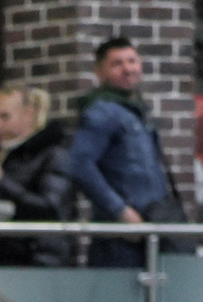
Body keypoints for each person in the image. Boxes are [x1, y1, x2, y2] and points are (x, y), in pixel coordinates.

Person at [66, 36, 178, 267]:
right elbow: (80, 164)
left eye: (132, 61)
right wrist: (120, 211)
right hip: (121, 238)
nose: (128, 69)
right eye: (117, 64)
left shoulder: (134, 110)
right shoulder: (102, 112)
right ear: (99, 71)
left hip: (149, 227)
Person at [0, 83, 73, 267]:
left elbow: (51, 208)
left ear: (28, 114)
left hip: (38, 258)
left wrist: (1, 182)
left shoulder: (53, 154)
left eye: (4, 116)